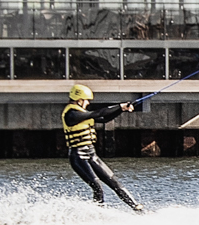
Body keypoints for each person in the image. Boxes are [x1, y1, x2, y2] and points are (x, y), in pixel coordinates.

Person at [61, 84, 146, 213]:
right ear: (79, 100)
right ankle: (98, 213)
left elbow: (104, 118)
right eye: (86, 100)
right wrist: (120, 106)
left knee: (113, 182)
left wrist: (121, 110)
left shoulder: (83, 113)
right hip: (78, 156)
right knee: (97, 186)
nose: (88, 103)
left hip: (91, 154)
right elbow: (98, 113)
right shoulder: (71, 114)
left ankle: (136, 208)